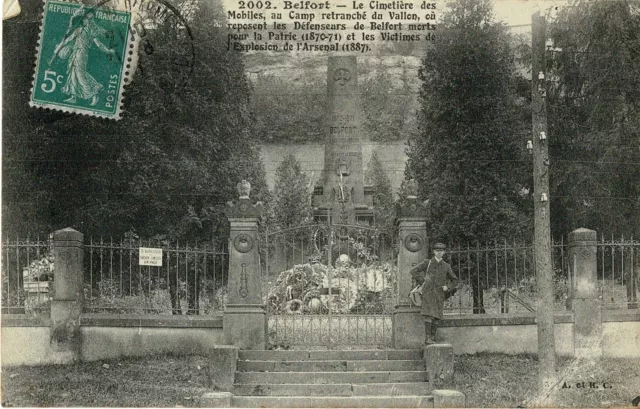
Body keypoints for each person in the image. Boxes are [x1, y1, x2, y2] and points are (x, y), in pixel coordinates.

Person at [49, 7, 116, 106]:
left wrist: (108, 51)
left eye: (87, 19)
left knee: (80, 75)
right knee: (73, 74)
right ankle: (73, 96)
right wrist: (108, 51)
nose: (85, 20)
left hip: (81, 54)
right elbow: (69, 40)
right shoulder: (83, 30)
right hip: (76, 54)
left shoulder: (87, 30)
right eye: (85, 18)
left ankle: (94, 93)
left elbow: (98, 44)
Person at [410, 242, 458, 345]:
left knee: (436, 316)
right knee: (428, 314)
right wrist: (423, 281)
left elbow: (455, 280)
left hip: (439, 294)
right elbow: (414, 271)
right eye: (437, 251)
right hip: (428, 292)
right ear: (433, 252)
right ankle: (427, 338)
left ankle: (432, 338)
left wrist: (448, 287)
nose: (439, 253)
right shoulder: (427, 263)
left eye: (441, 251)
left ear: (444, 252)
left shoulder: (446, 266)